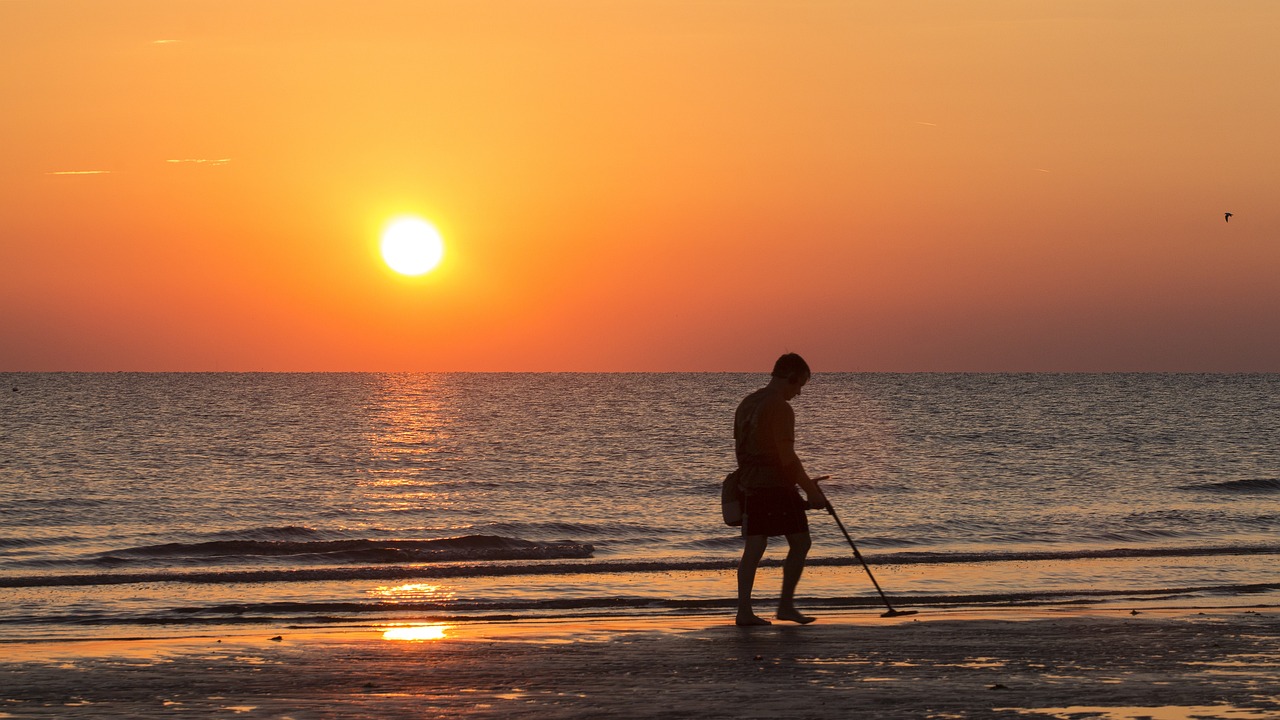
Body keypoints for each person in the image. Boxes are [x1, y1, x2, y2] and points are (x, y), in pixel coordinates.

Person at [733, 352, 828, 626]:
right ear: (791, 378)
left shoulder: (748, 402)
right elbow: (788, 457)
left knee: (754, 546)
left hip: (750, 483)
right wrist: (810, 490)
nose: (798, 393)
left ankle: (744, 611)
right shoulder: (780, 407)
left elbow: (740, 447)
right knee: (800, 541)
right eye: (799, 386)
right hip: (775, 485)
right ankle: (785, 606)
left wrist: (745, 481)